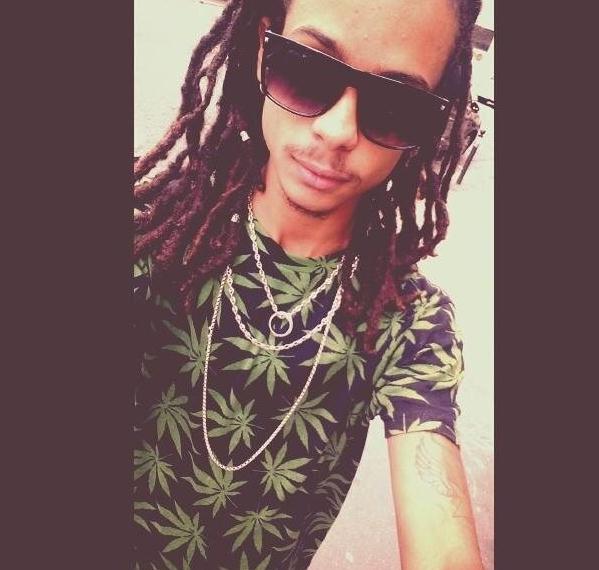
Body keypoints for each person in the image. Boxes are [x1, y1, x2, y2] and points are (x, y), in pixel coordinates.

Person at [133, 0, 485, 568]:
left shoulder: (408, 322)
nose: (337, 130)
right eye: (307, 69)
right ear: (262, 49)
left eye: (394, 105)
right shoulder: (156, 232)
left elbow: (439, 522)